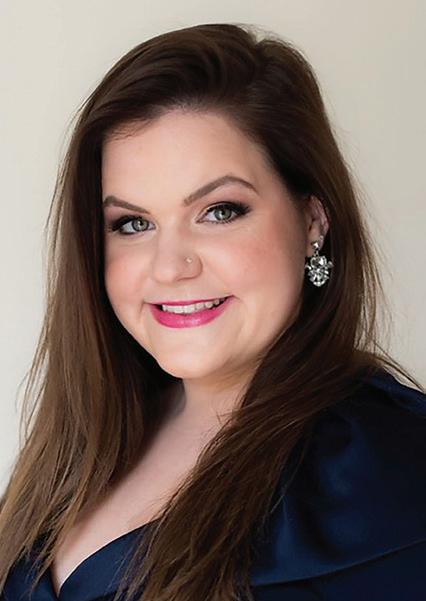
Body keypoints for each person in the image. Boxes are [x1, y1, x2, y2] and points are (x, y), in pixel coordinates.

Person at [1, 22, 425, 601]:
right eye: (133, 223)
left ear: (312, 221)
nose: (170, 266)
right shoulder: (88, 439)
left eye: (219, 211)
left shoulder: (395, 473)